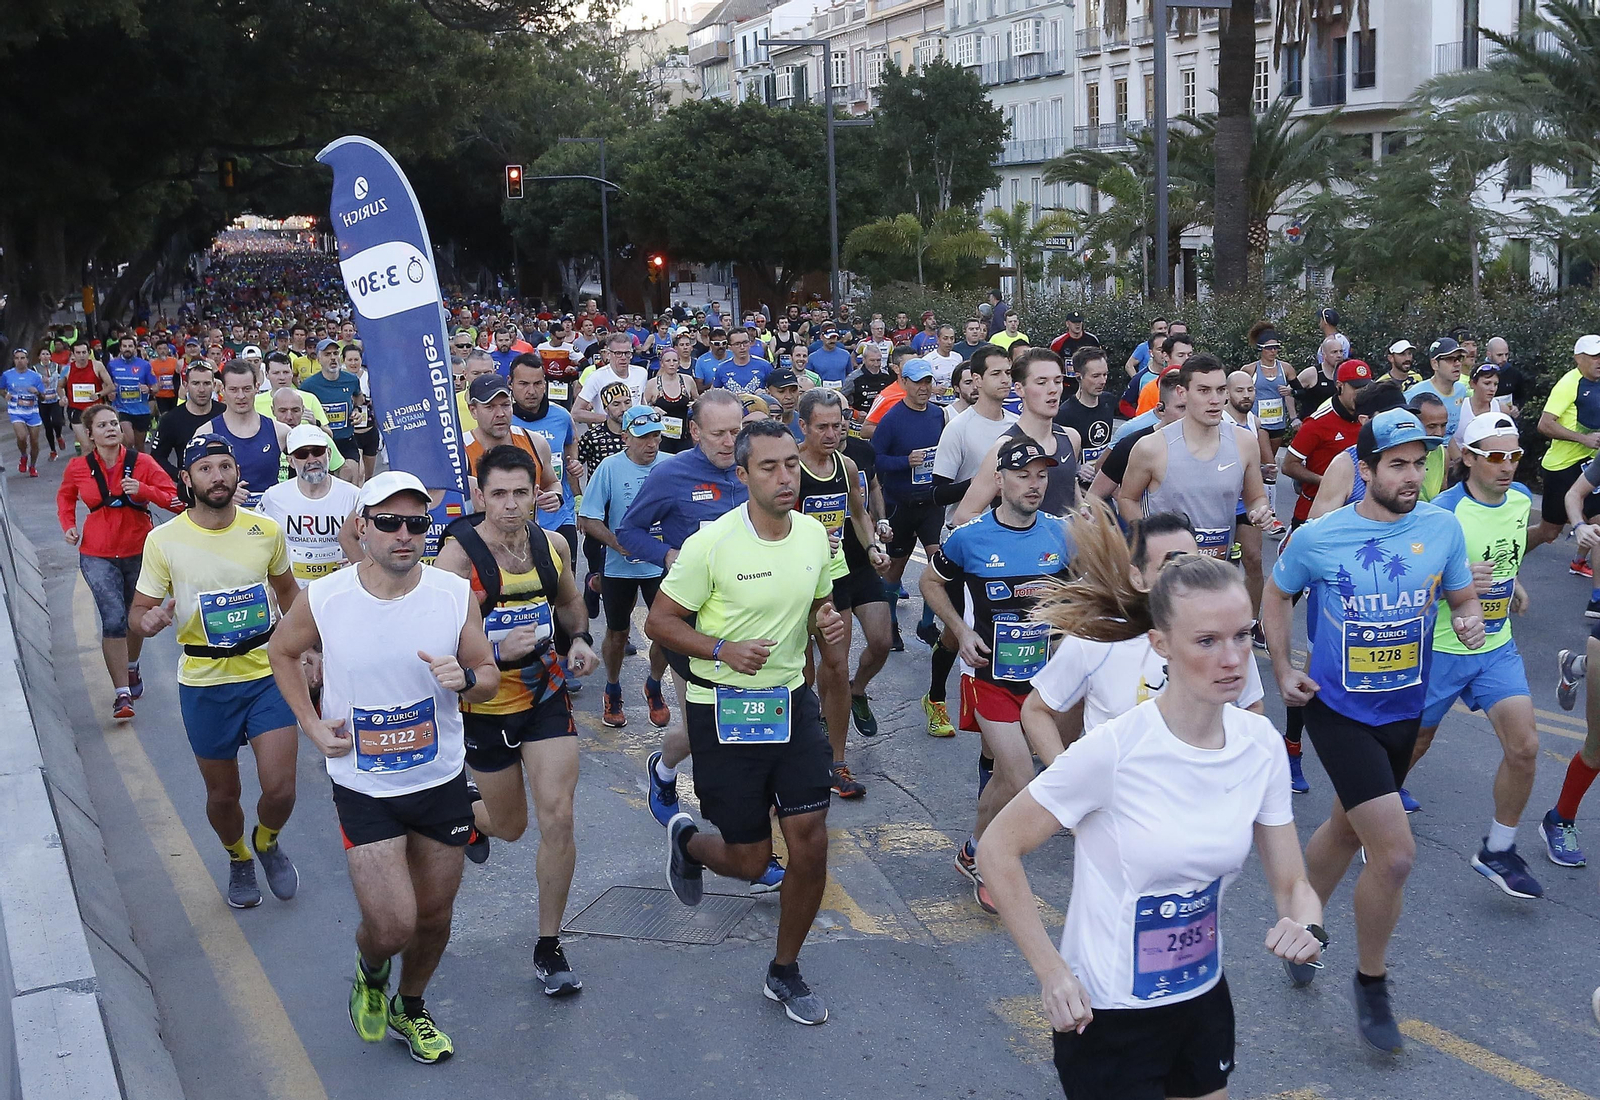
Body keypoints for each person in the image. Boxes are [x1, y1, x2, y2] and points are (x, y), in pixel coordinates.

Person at [983, 551, 1323, 1100]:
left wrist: (1307, 926)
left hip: (1202, 1000)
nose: (1232, 658)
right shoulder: (1113, 752)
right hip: (1109, 1016)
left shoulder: (1259, 745)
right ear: (1161, 644)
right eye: (1207, 641)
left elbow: (1293, 884)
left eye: (1242, 636)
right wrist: (1051, 973)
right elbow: (997, 848)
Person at [1263, 407, 1483, 1054]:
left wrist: (1468, 618)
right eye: (1397, 464)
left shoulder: (1442, 529)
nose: (1412, 475)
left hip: (1404, 709)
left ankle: (1299, 925)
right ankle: (1372, 982)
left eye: (1420, 463)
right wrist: (1283, 668)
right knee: (1395, 853)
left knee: (1345, 826)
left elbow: (1461, 596)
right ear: (1365, 470)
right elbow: (1276, 594)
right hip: (1340, 711)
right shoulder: (1321, 537)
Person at [268, 470, 499, 1063]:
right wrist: (311, 725)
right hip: (363, 785)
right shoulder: (326, 597)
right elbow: (282, 651)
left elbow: (487, 675)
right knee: (393, 925)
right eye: (390, 522)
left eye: (416, 523)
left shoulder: (452, 593)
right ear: (361, 527)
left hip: (439, 779)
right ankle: (372, 968)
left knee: (434, 917)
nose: (404, 535)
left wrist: (465, 679)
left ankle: (410, 1006)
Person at [648, 418, 847, 1026]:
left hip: (790, 702)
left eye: (791, 464)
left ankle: (784, 970)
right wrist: (721, 649)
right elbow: (660, 622)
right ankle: (688, 842)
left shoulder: (813, 536)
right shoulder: (712, 544)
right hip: (723, 709)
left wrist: (826, 622)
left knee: (810, 838)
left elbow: (819, 603)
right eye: (769, 467)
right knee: (751, 862)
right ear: (743, 475)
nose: (786, 477)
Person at [432, 448, 598, 998]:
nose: (509, 504)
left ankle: (549, 944)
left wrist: (579, 640)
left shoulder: (551, 545)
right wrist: (496, 652)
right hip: (485, 705)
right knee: (510, 826)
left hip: (545, 694)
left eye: (520, 493)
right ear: (480, 496)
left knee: (559, 817)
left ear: (536, 494)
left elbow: (569, 604)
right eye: (498, 494)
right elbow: (437, 641)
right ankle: (471, 816)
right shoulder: (458, 559)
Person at [128, 435, 303, 911]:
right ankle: (238, 855)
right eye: (206, 469)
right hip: (205, 682)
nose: (218, 476)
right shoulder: (163, 540)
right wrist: (147, 621)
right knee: (223, 795)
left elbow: (288, 592)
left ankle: (267, 840)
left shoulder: (265, 530)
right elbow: (138, 612)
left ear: (237, 473)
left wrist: (309, 647)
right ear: (187, 479)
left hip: (266, 673)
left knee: (281, 788)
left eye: (226, 466)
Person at [920, 437, 1075, 915]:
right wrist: (961, 630)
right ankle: (993, 862)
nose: (1034, 484)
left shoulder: (1061, 535)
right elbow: (929, 581)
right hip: (988, 677)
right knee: (1022, 775)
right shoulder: (970, 537)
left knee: (1008, 779)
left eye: (1041, 476)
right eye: (1023, 475)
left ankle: (973, 849)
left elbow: (1084, 589)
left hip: (1045, 683)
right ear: (1000, 480)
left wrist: (1069, 632)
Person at [1407, 412, 1544, 898]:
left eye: (1515, 455)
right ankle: (1368, 816)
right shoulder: (1440, 514)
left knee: (1524, 747)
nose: (1508, 466)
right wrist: (1454, 582)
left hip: (1495, 645)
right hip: (1440, 648)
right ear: (1468, 457)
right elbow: (1409, 585)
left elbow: (1505, 551)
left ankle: (1498, 850)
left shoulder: (1521, 500)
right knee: (1413, 744)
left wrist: (1513, 584)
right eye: (1496, 456)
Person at [1020, 508, 1268, 766]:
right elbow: (1036, 710)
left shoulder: (1225, 637)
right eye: (1169, 567)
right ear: (1137, 577)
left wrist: (1234, 768)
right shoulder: (1098, 639)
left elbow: (1251, 706)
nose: (1186, 578)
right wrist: (1069, 776)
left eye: (1194, 565)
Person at [58, 404, 183, 718]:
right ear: (90, 434)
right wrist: (68, 525)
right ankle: (122, 694)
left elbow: (175, 500)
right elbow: (66, 496)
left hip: (140, 551)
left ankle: (131, 665)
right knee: (113, 618)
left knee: (134, 617)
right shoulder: (78, 467)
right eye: (102, 425)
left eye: (114, 423)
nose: (111, 429)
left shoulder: (142, 462)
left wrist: (144, 489)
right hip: (97, 555)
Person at [794, 388, 884, 797]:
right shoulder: (790, 467)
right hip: (794, 580)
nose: (832, 434)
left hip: (834, 577)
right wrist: (807, 539)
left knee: (836, 665)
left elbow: (858, 514)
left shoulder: (846, 466)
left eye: (838, 425)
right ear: (803, 426)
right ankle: (799, 751)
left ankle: (836, 762)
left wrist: (871, 546)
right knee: (802, 672)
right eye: (822, 427)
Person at [1118, 355, 1273, 559]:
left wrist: (1260, 512)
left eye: (1220, 390)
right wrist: (1152, 540)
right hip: (1167, 569)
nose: (1214, 400)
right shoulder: (1151, 447)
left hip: (1217, 565)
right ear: (1182, 393)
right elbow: (1127, 499)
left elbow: (1255, 498)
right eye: (1204, 390)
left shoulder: (1245, 442)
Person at [577, 406, 673, 729]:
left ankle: (654, 685)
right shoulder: (610, 468)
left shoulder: (671, 465)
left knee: (667, 632)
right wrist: (616, 543)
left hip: (660, 563)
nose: (651, 444)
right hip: (621, 565)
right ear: (625, 438)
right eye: (643, 437)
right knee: (617, 633)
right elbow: (588, 518)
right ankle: (613, 688)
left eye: (656, 436)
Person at [951, 349, 1080, 526]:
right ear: (1019, 389)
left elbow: (1069, 488)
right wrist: (1015, 537)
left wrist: (1083, 509)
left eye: (1057, 381)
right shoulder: (1004, 448)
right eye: (1041, 382)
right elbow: (963, 516)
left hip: (1069, 544)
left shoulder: (1071, 437)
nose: (1053, 390)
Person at [872, 359, 947, 652]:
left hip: (930, 502)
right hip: (900, 504)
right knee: (894, 570)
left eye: (927, 382)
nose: (924, 388)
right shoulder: (892, 418)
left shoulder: (938, 415)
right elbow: (876, 459)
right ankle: (890, 623)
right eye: (917, 382)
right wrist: (905, 461)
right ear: (904, 383)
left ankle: (927, 624)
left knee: (938, 565)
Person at [259, 424, 360, 586]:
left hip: (341, 587)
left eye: (317, 451)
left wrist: (358, 561)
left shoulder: (354, 496)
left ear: (329, 454)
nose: (312, 460)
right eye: (302, 454)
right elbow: (259, 542)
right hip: (293, 591)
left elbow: (373, 542)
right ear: (291, 461)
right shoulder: (274, 497)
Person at [1532, 334, 1600, 563]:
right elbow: (1544, 424)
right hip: (1562, 467)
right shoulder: (1569, 384)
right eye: (1594, 356)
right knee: (1549, 531)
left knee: (1598, 523)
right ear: (1578, 358)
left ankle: (1580, 563)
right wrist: (1583, 439)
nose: (1599, 361)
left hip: (1590, 465)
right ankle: (1508, 557)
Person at [1283, 359, 1370, 526]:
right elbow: (1288, 466)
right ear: (1340, 386)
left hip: (1356, 516)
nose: (1361, 394)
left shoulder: (1371, 418)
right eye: (1356, 388)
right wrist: (1326, 481)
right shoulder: (1317, 423)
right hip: (1314, 513)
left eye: (1366, 388)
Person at [205, 359, 289, 509]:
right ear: (223, 390)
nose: (241, 396)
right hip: (224, 518)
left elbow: (307, 474)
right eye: (233, 389)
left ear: (257, 387)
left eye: (246, 389)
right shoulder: (206, 433)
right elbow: (191, 485)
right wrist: (223, 494)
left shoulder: (280, 431)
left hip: (269, 518)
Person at [300, 337, 365, 482]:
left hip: (346, 439)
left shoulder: (351, 379)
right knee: (324, 483)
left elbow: (358, 397)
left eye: (335, 353)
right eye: (327, 354)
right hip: (321, 441)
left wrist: (357, 410)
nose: (333, 358)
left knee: (352, 477)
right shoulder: (309, 385)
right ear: (319, 359)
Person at [1053, 347, 1115, 487]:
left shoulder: (1109, 401)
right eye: (1095, 376)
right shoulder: (1064, 414)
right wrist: (1077, 468)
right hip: (1079, 488)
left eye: (1105, 374)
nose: (1102, 381)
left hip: (1105, 482)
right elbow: (1057, 457)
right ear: (1079, 376)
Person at [151, 361, 219, 484]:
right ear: (186, 386)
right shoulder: (171, 420)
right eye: (195, 383)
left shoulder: (225, 413)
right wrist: (179, 475)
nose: (201, 389)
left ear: (214, 385)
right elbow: (157, 457)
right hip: (189, 488)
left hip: (223, 485)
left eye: (206, 383)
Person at [574, 332, 649, 423]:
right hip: (608, 429)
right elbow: (576, 413)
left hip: (635, 429)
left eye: (627, 353)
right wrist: (609, 420)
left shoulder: (641, 373)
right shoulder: (596, 377)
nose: (623, 357)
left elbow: (640, 400)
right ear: (609, 354)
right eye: (618, 353)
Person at [1404, 337, 1471, 437]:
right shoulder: (1414, 394)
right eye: (1450, 359)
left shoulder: (1461, 390)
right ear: (1435, 364)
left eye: (1459, 358)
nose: (1457, 364)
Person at [642, 347, 698, 454]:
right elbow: (642, 406)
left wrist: (695, 405)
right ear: (662, 364)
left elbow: (698, 400)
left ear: (679, 363)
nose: (672, 364)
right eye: (668, 361)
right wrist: (652, 409)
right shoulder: (653, 383)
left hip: (684, 437)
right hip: (661, 439)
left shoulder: (687, 380)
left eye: (675, 361)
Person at [62, 341, 115, 454]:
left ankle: (99, 462)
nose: (81, 356)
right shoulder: (67, 369)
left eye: (84, 352)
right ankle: (87, 464)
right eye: (78, 353)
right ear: (73, 354)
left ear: (89, 353)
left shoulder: (97, 366)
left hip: (95, 410)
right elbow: (59, 387)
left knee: (98, 444)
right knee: (86, 446)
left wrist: (99, 394)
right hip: (76, 410)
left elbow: (110, 386)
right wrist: (63, 397)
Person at [108, 335, 158, 451]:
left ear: (135, 348)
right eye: (124, 346)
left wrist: (149, 389)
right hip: (122, 409)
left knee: (139, 446)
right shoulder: (112, 365)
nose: (127, 349)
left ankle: (140, 463)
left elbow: (155, 387)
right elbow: (105, 383)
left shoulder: (145, 365)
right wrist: (110, 392)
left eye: (130, 346)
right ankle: (123, 460)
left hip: (141, 410)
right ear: (120, 348)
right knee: (129, 441)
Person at [4, 348, 46, 475]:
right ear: (14, 360)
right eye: (17, 358)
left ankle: (32, 466)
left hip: (33, 412)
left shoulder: (35, 376)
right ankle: (23, 455)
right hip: (16, 411)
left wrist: (37, 392)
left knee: (34, 442)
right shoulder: (7, 375)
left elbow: (43, 397)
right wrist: (5, 394)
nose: (20, 361)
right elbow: (1, 388)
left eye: (22, 358)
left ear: (27, 360)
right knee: (21, 437)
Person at [36, 346, 66, 460]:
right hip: (43, 401)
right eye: (43, 354)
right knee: (47, 426)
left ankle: (58, 435)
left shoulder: (57, 366)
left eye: (47, 354)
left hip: (55, 398)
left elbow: (63, 381)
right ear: (39, 356)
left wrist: (63, 396)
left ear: (50, 356)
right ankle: (53, 450)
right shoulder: (35, 368)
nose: (45, 356)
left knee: (57, 421)